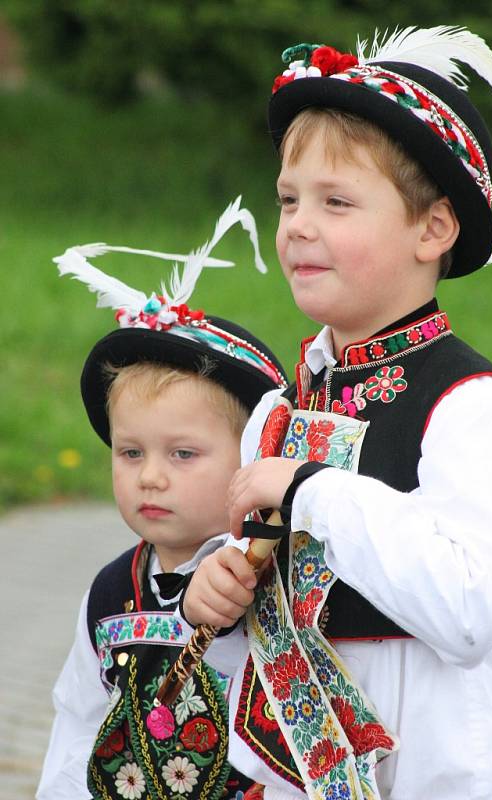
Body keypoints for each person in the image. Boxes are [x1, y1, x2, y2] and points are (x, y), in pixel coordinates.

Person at [182, 28, 492, 800]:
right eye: (288, 200)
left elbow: (475, 611)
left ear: (432, 229)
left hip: (441, 774)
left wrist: (313, 491)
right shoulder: (280, 408)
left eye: (336, 202)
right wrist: (214, 580)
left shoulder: (472, 405)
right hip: (298, 779)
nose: (299, 225)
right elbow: (265, 578)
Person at [36, 201, 288, 800]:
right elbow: (78, 718)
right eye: (130, 453)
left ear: (249, 462)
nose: (150, 476)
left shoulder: (267, 580)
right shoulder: (108, 593)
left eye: (182, 454)